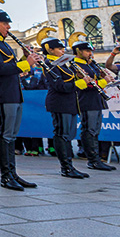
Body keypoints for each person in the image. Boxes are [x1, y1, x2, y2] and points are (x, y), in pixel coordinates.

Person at [0, 0, 41, 191]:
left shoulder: (4, 44)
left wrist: (25, 58)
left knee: (11, 136)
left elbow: (10, 67)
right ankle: (5, 176)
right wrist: (26, 63)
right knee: (4, 135)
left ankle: (13, 174)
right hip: (2, 95)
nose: (8, 27)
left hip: (13, 94)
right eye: (5, 23)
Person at [37, 28, 89, 178]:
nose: (62, 51)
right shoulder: (49, 64)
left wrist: (79, 76)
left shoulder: (64, 63)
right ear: (50, 49)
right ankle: (66, 167)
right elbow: (59, 86)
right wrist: (80, 83)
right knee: (62, 134)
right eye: (59, 48)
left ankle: (70, 166)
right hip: (60, 102)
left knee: (69, 134)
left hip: (70, 102)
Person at [70, 33, 115, 171]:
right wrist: (103, 81)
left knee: (95, 130)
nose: (90, 53)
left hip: (96, 100)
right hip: (86, 100)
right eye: (87, 51)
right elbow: (87, 84)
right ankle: (93, 159)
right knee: (89, 130)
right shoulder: (75, 65)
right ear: (79, 52)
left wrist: (104, 76)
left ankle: (95, 158)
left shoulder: (90, 64)